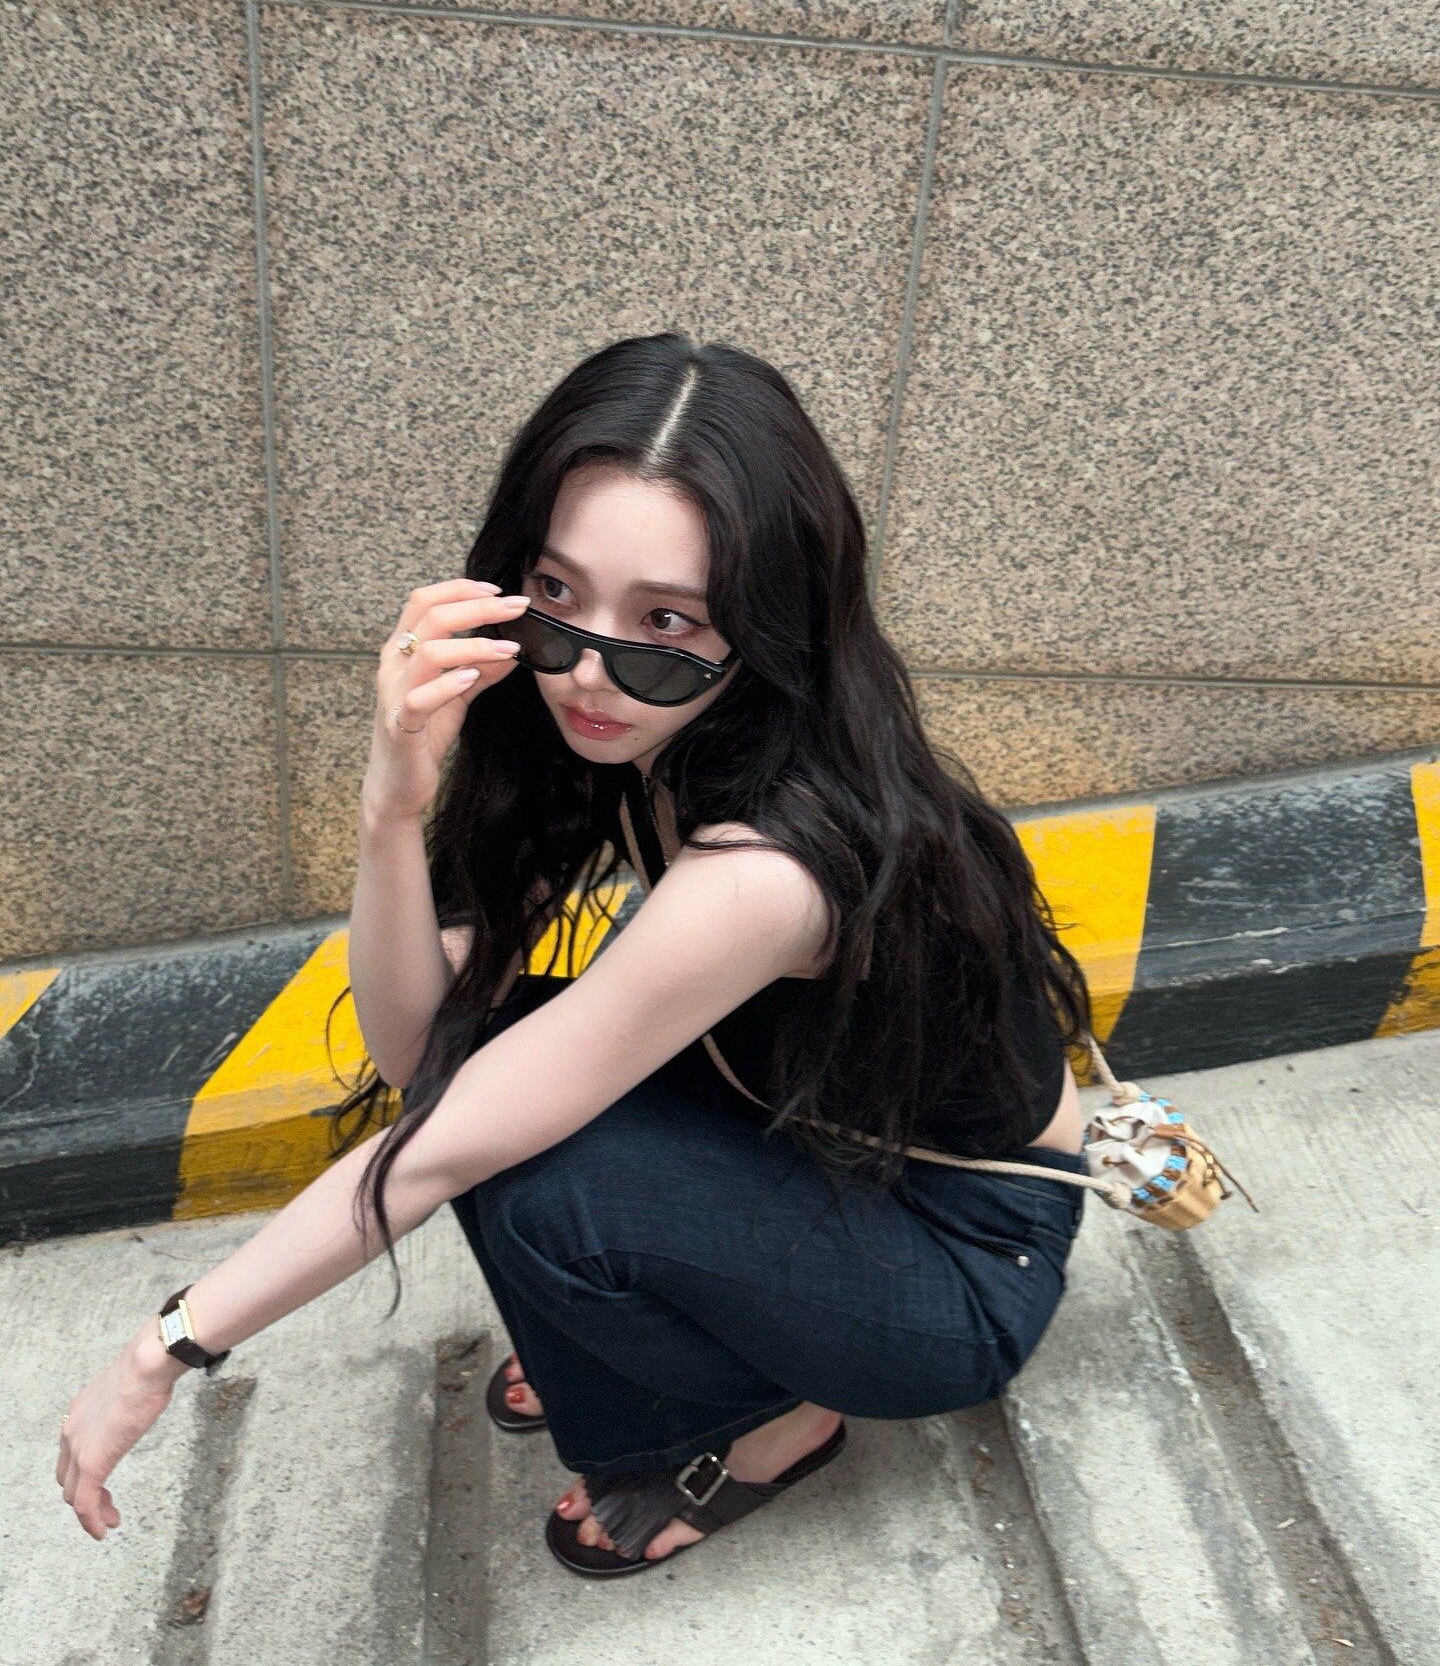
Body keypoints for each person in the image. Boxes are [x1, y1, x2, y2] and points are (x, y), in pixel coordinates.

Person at [56, 331, 1094, 1578]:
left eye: (665, 621)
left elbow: (443, 1142)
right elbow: (419, 1046)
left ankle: (780, 1418)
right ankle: (675, 1337)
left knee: (549, 1189)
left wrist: (164, 1348)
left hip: (961, 1256)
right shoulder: (642, 729)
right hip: (824, 1131)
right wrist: (390, 805)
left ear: (770, 622)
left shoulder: (767, 866)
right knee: (495, 1079)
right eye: (555, 595)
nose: (589, 672)